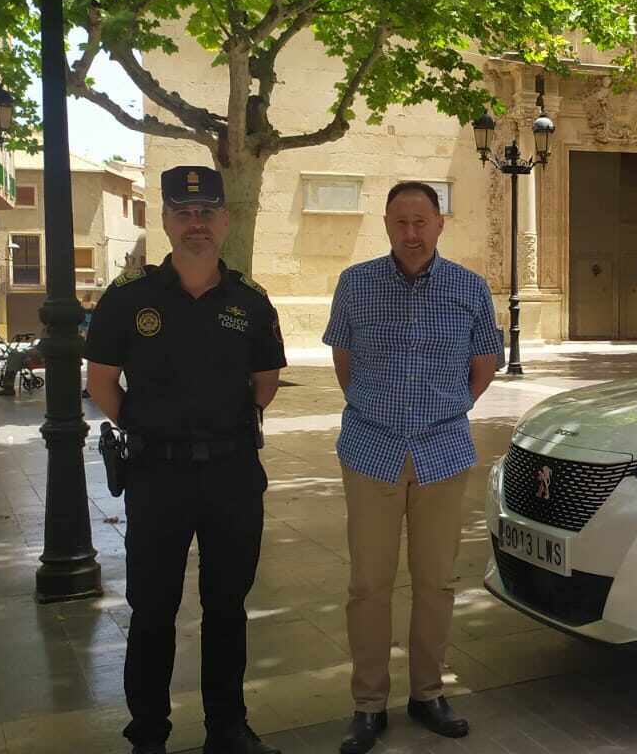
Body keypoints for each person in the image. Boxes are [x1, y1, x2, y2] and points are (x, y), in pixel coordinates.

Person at [85, 165, 286, 754]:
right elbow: (101, 384)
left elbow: (265, 383)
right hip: (157, 475)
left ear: (224, 220)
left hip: (231, 474)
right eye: (183, 212)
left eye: (206, 213)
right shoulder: (130, 298)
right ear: (166, 221)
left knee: (228, 606)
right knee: (152, 608)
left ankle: (227, 727)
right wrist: (150, 429)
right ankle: (148, 733)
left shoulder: (250, 300)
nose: (196, 223)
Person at [324, 181, 499, 751]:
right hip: (371, 453)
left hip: (442, 454)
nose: (412, 233)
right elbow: (344, 363)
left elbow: (482, 367)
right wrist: (384, 415)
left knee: (436, 582)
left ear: (440, 224)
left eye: (422, 221)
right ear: (386, 225)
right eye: (401, 222)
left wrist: (446, 411)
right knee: (368, 585)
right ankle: (368, 704)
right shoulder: (355, 285)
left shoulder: (470, 289)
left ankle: (428, 693)